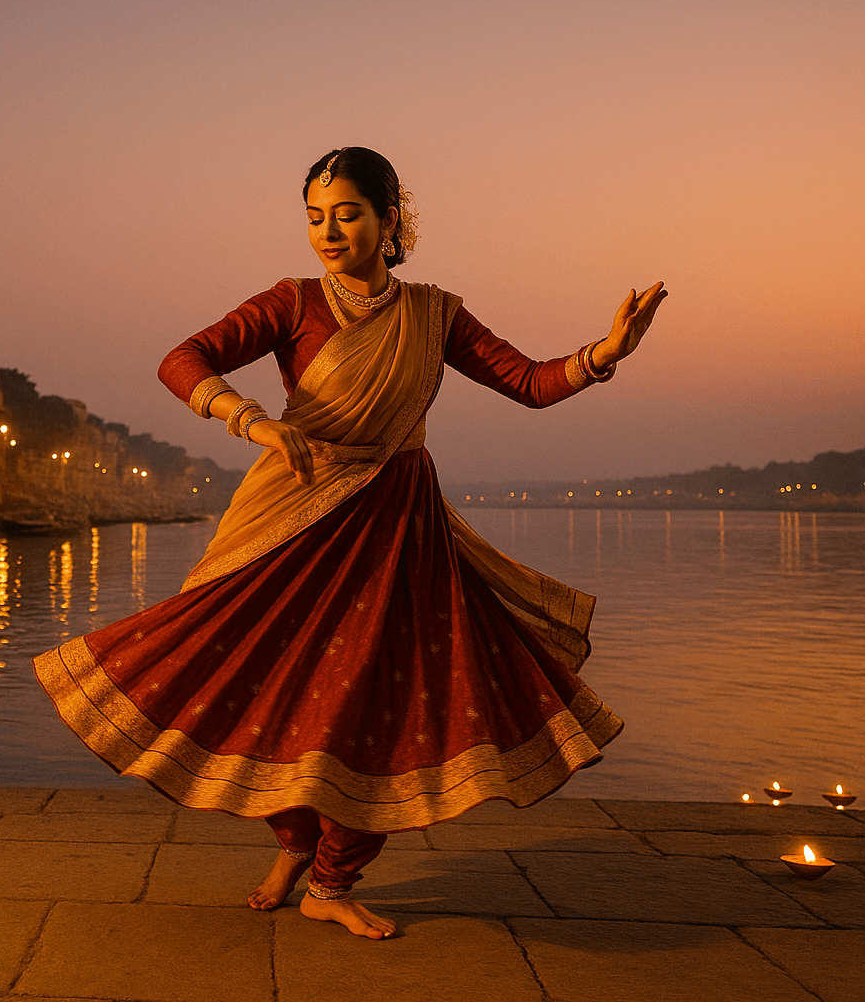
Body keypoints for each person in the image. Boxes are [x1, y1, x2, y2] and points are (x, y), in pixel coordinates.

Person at [34, 146, 666, 940]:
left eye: (347, 213)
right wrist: (254, 420)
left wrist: (605, 354)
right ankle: (297, 845)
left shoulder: (435, 313)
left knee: (386, 702)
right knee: (271, 687)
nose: (328, 231)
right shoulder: (292, 301)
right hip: (295, 515)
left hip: (398, 528)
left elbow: (529, 382)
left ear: (390, 219)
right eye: (314, 217)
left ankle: (334, 879)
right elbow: (181, 359)